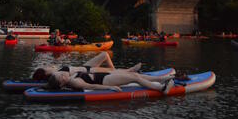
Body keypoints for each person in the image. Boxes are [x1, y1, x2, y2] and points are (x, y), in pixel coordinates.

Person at [32, 51, 172, 83]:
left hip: (85, 67)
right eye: (45, 68)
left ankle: (125, 71)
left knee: (105, 54)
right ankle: (127, 71)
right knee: (113, 71)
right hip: (89, 71)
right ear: (45, 73)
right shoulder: (57, 75)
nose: (47, 66)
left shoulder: (56, 71)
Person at [46, 68, 175, 95]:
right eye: (61, 76)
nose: (63, 73)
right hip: (106, 80)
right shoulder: (74, 83)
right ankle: (161, 89)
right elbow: (93, 86)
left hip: (105, 75)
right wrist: (111, 87)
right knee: (135, 78)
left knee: (134, 74)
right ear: (62, 83)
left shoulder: (70, 76)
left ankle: (162, 78)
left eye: (61, 73)